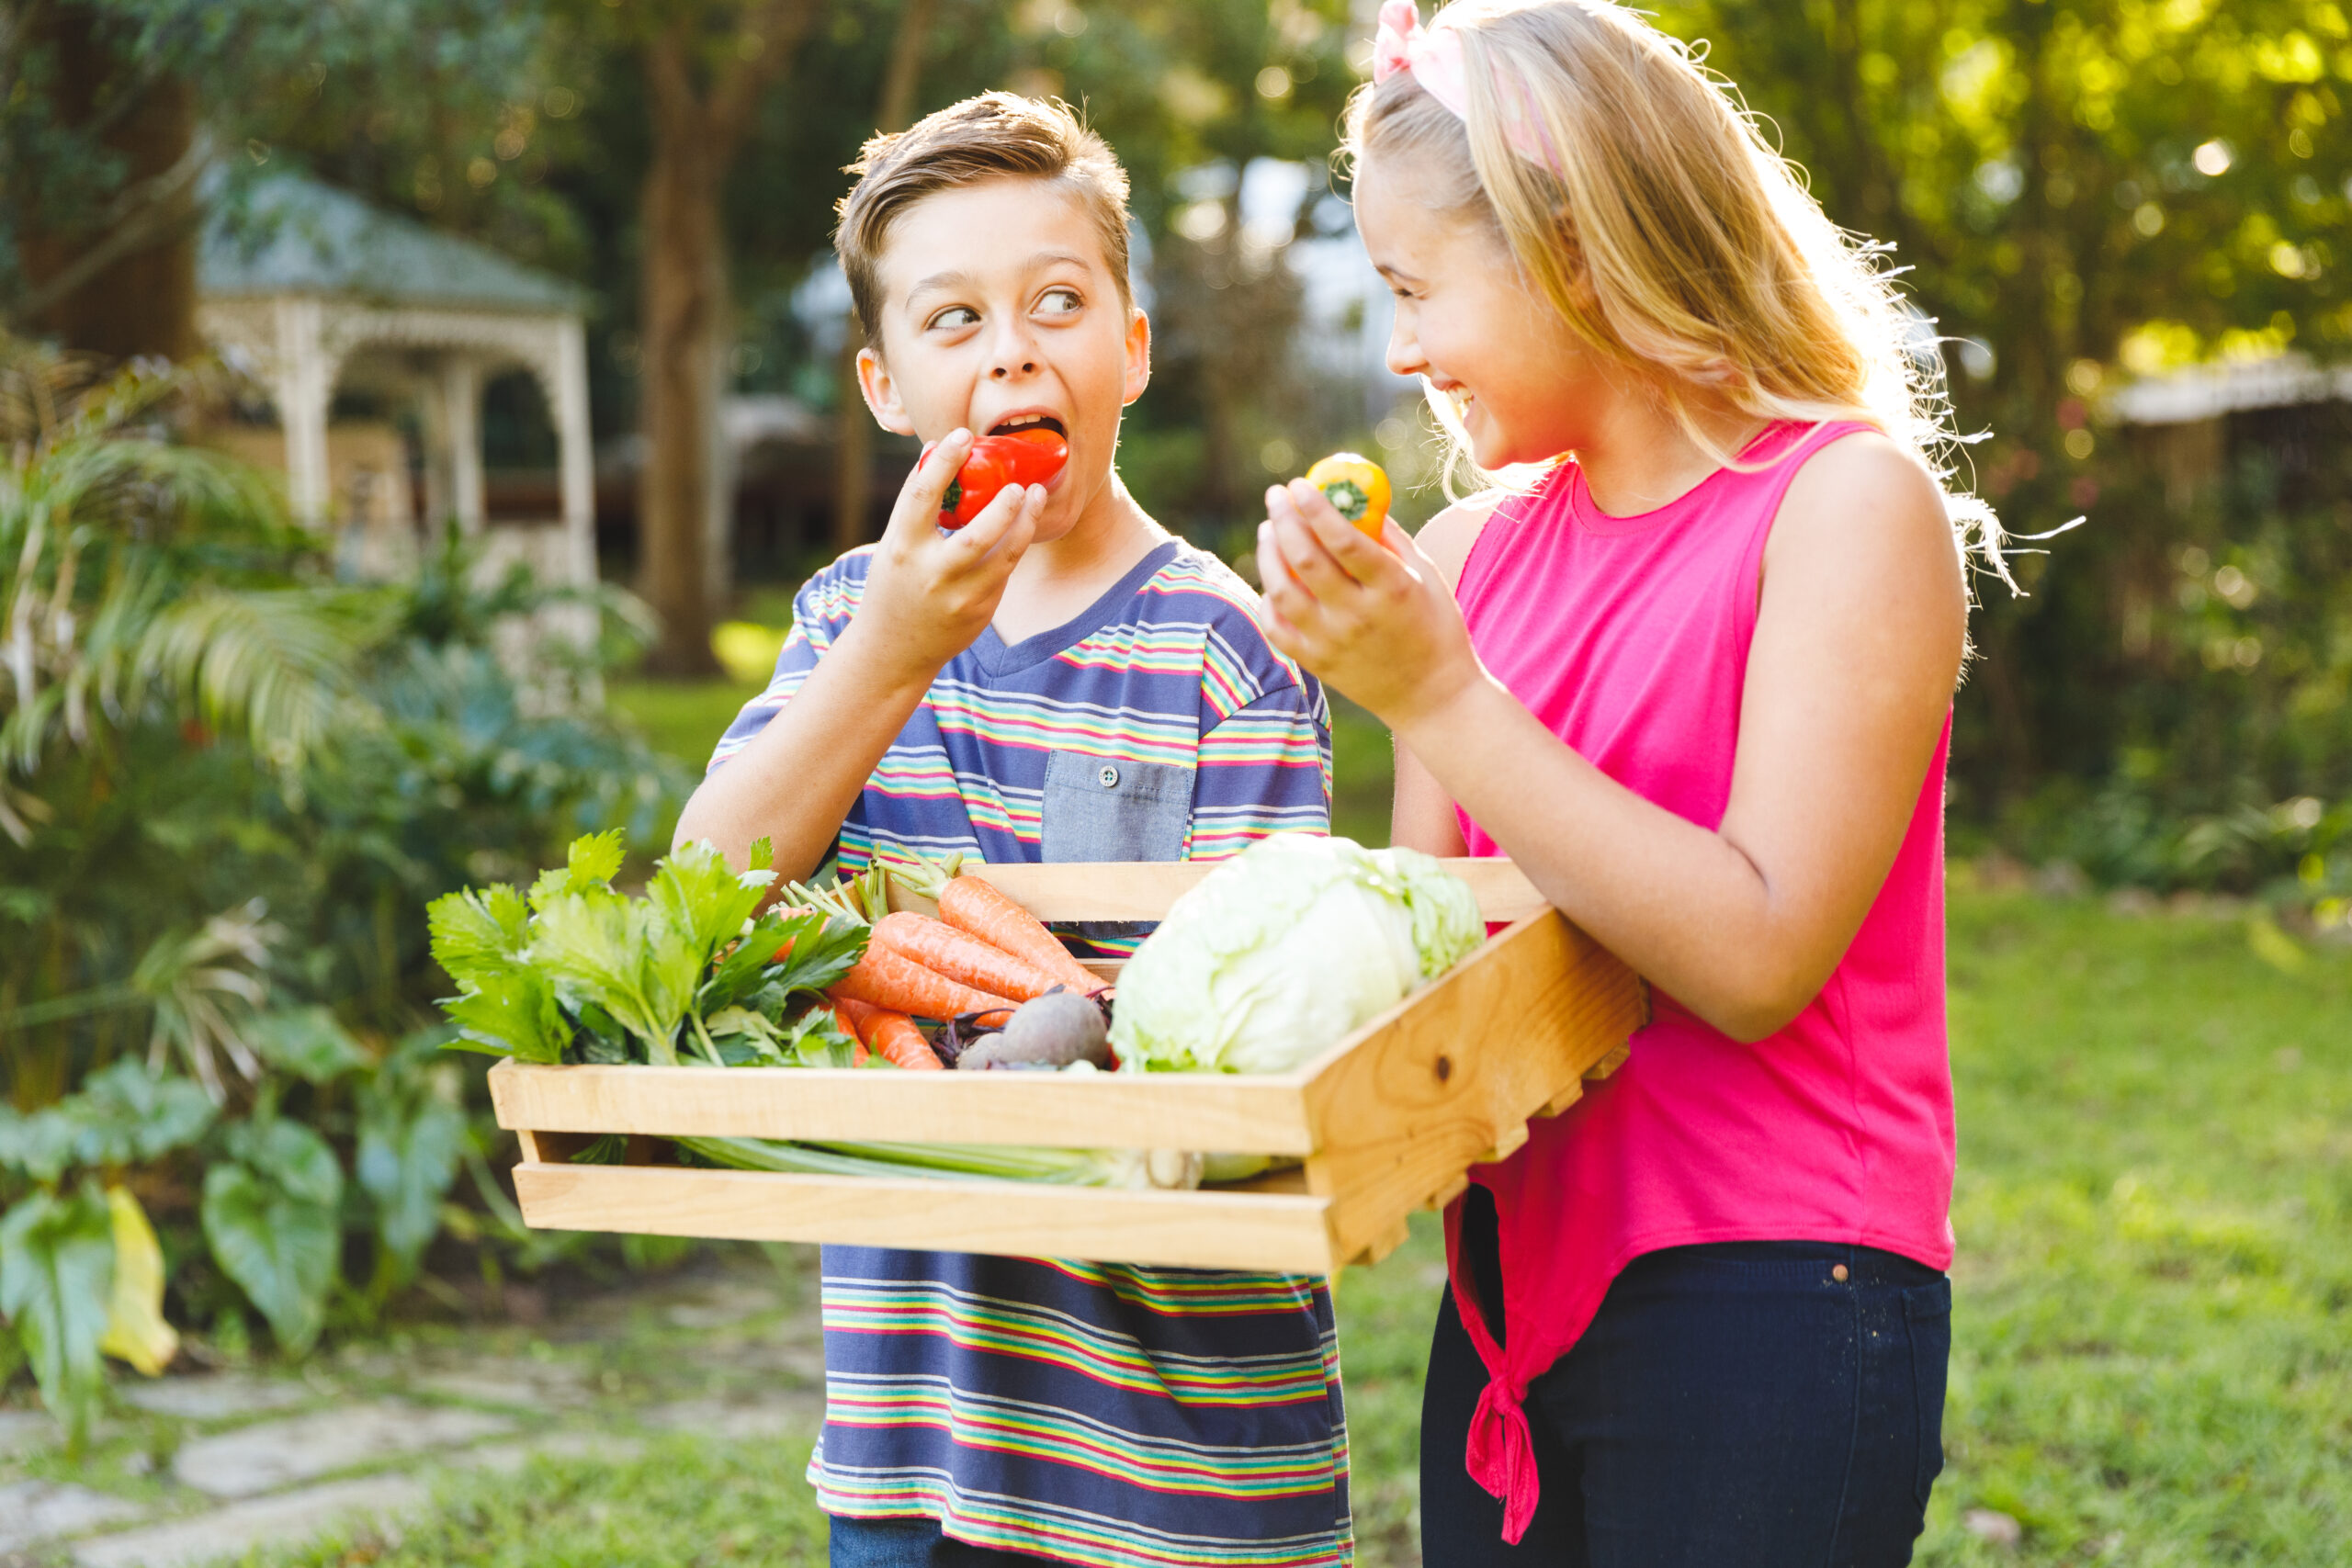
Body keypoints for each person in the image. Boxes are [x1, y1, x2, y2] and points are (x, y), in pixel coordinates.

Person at [1253, 3, 2001, 1563]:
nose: (1399, 351)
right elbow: (1443, 972)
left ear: (1572, 254)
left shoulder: (1842, 507)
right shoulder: (1466, 558)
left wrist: (1437, 694)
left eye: (1415, 290)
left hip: (1776, 1287)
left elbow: (1758, 953)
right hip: (1509, 1304)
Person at [673, 94, 1348, 1568]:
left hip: (1184, 1463)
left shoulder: (1225, 653)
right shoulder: (847, 624)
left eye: (1057, 303)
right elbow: (703, 894)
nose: (1012, 351)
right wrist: (895, 653)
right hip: (916, 1449)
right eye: (953, 319)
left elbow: (1264, 1040)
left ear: (1134, 348)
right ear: (884, 385)